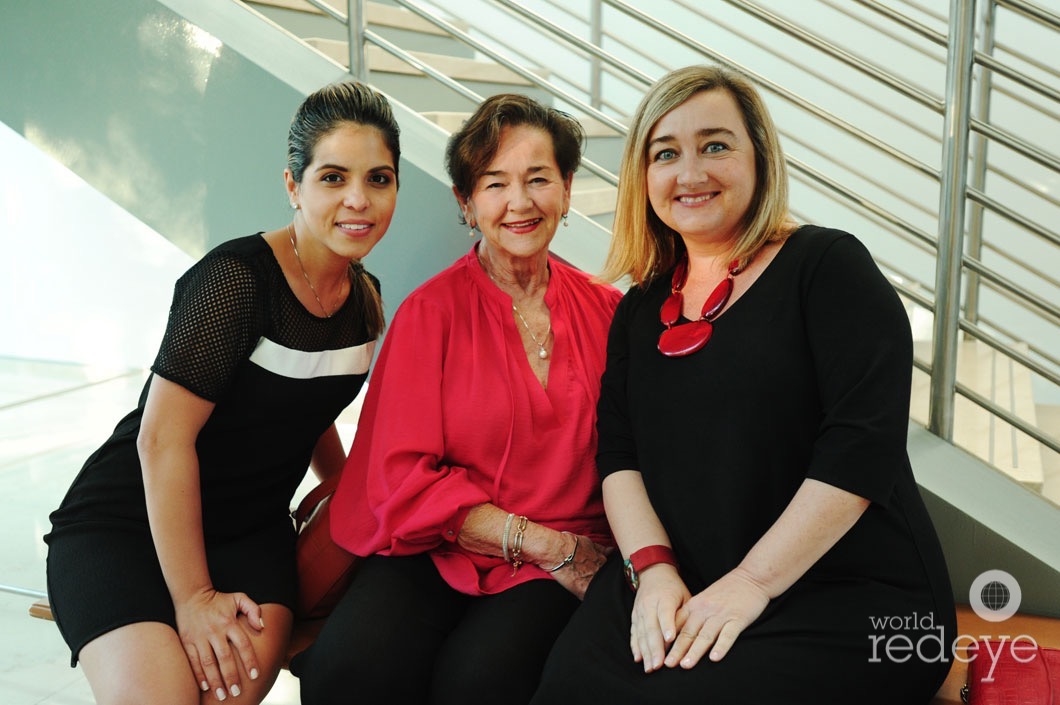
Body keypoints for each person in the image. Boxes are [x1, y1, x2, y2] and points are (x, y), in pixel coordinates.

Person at [531, 65, 957, 704]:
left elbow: (860, 448)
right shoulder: (640, 308)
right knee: (570, 686)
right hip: (685, 578)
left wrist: (754, 582)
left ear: (760, 158)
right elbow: (619, 458)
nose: (691, 171)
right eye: (666, 153)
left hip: (847, 596)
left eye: (716, 145)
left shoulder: (828, 267)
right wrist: (653, 570)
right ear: (643, 178)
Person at [43, 80, 400, 705]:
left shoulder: (365, 304)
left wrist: (338, 485)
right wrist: (194, 599)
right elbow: (161, 440)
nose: (358, 200)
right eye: (333, 177)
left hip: (248, 537)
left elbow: (302, 397)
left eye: (378, 178)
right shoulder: (234, 281)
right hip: (127, 523)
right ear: (293, 186)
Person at [292, 93, 622, 705]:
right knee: (346, 671)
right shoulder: (429, 313)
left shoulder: (611, 315)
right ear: (466, 203)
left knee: (481, 682)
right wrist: (548, 547)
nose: (519, 203)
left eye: (538, 179)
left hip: (566, 551)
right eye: (494, 184)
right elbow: (400, 476)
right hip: (444, 543)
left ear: (568, 189)